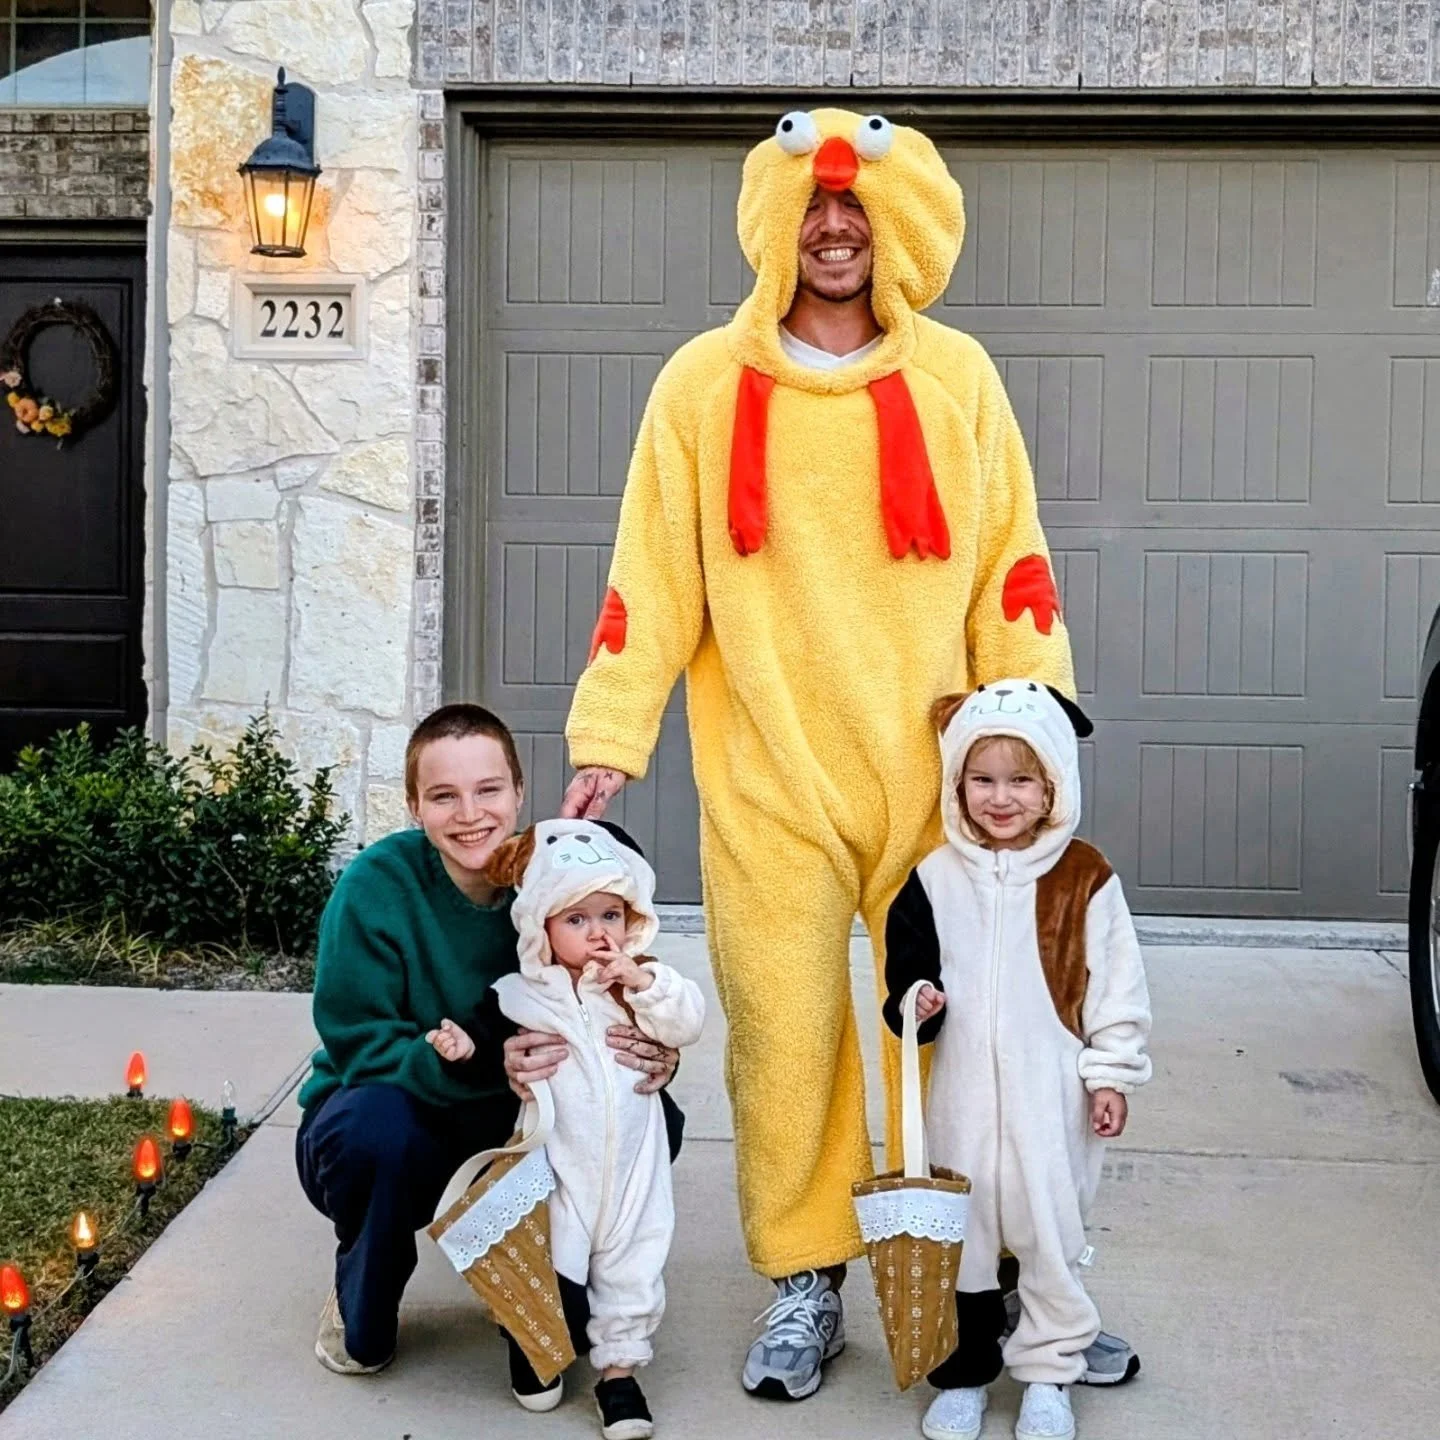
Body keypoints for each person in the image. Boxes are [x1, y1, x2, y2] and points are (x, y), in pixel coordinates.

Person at [559, 108, 1135, 1398]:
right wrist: (612, 733)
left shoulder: (960, 378)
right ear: (778, 223)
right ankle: (806, 1280)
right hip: (768, 772)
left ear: (900, 227)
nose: (834, 229)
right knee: (787, 1034)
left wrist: (1038, 732)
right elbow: (649, 578)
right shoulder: (702, 384)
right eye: (815, 209)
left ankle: (1022, 1288)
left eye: (858, 211)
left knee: (974, 1045)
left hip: (938, 782)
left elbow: (1011, 562)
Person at [294, 703, 683, 1396]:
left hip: (523, 1111)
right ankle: (364, 1297)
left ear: (519, 793)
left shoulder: (557, 878)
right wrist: (474, 1062)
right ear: (414, 805)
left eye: (489, 790)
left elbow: (619, 988)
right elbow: (359, 1045)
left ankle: (544, 1288)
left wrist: (659, 1049)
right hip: (401, 1105)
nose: (470, 813)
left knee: (653, 1115)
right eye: (444, 796)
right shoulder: (374, 889)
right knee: (374, 1136)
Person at [883, 682, 1152, 1440]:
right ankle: (965, 1374)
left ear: (1053, 786)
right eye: (982, 779)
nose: (1000, 799)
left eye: (1021, 780)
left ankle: (1048, 1373)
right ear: (957, 785)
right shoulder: (935, 878)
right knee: (961, 1243)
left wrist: (1111, 1074)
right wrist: (918, 1002)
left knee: (1050, 1239)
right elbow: (904, 972)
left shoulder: (1085, 878)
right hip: (961, 1106)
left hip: (1051, 1104)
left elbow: (1117, 990)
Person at [436, 820, 705, 1439]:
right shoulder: (521, 994)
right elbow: (486, 1034)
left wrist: (642, 982)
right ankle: (534, 1348)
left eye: (610, 915)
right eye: (576, 920)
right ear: (543, 927)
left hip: (634, 1165)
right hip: (557, 1166)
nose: (597, 934)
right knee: (551, 1262)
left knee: (633, 1265)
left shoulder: (638, 989)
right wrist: (462, 1044)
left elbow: (686, 1022)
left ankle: (619, 1375)